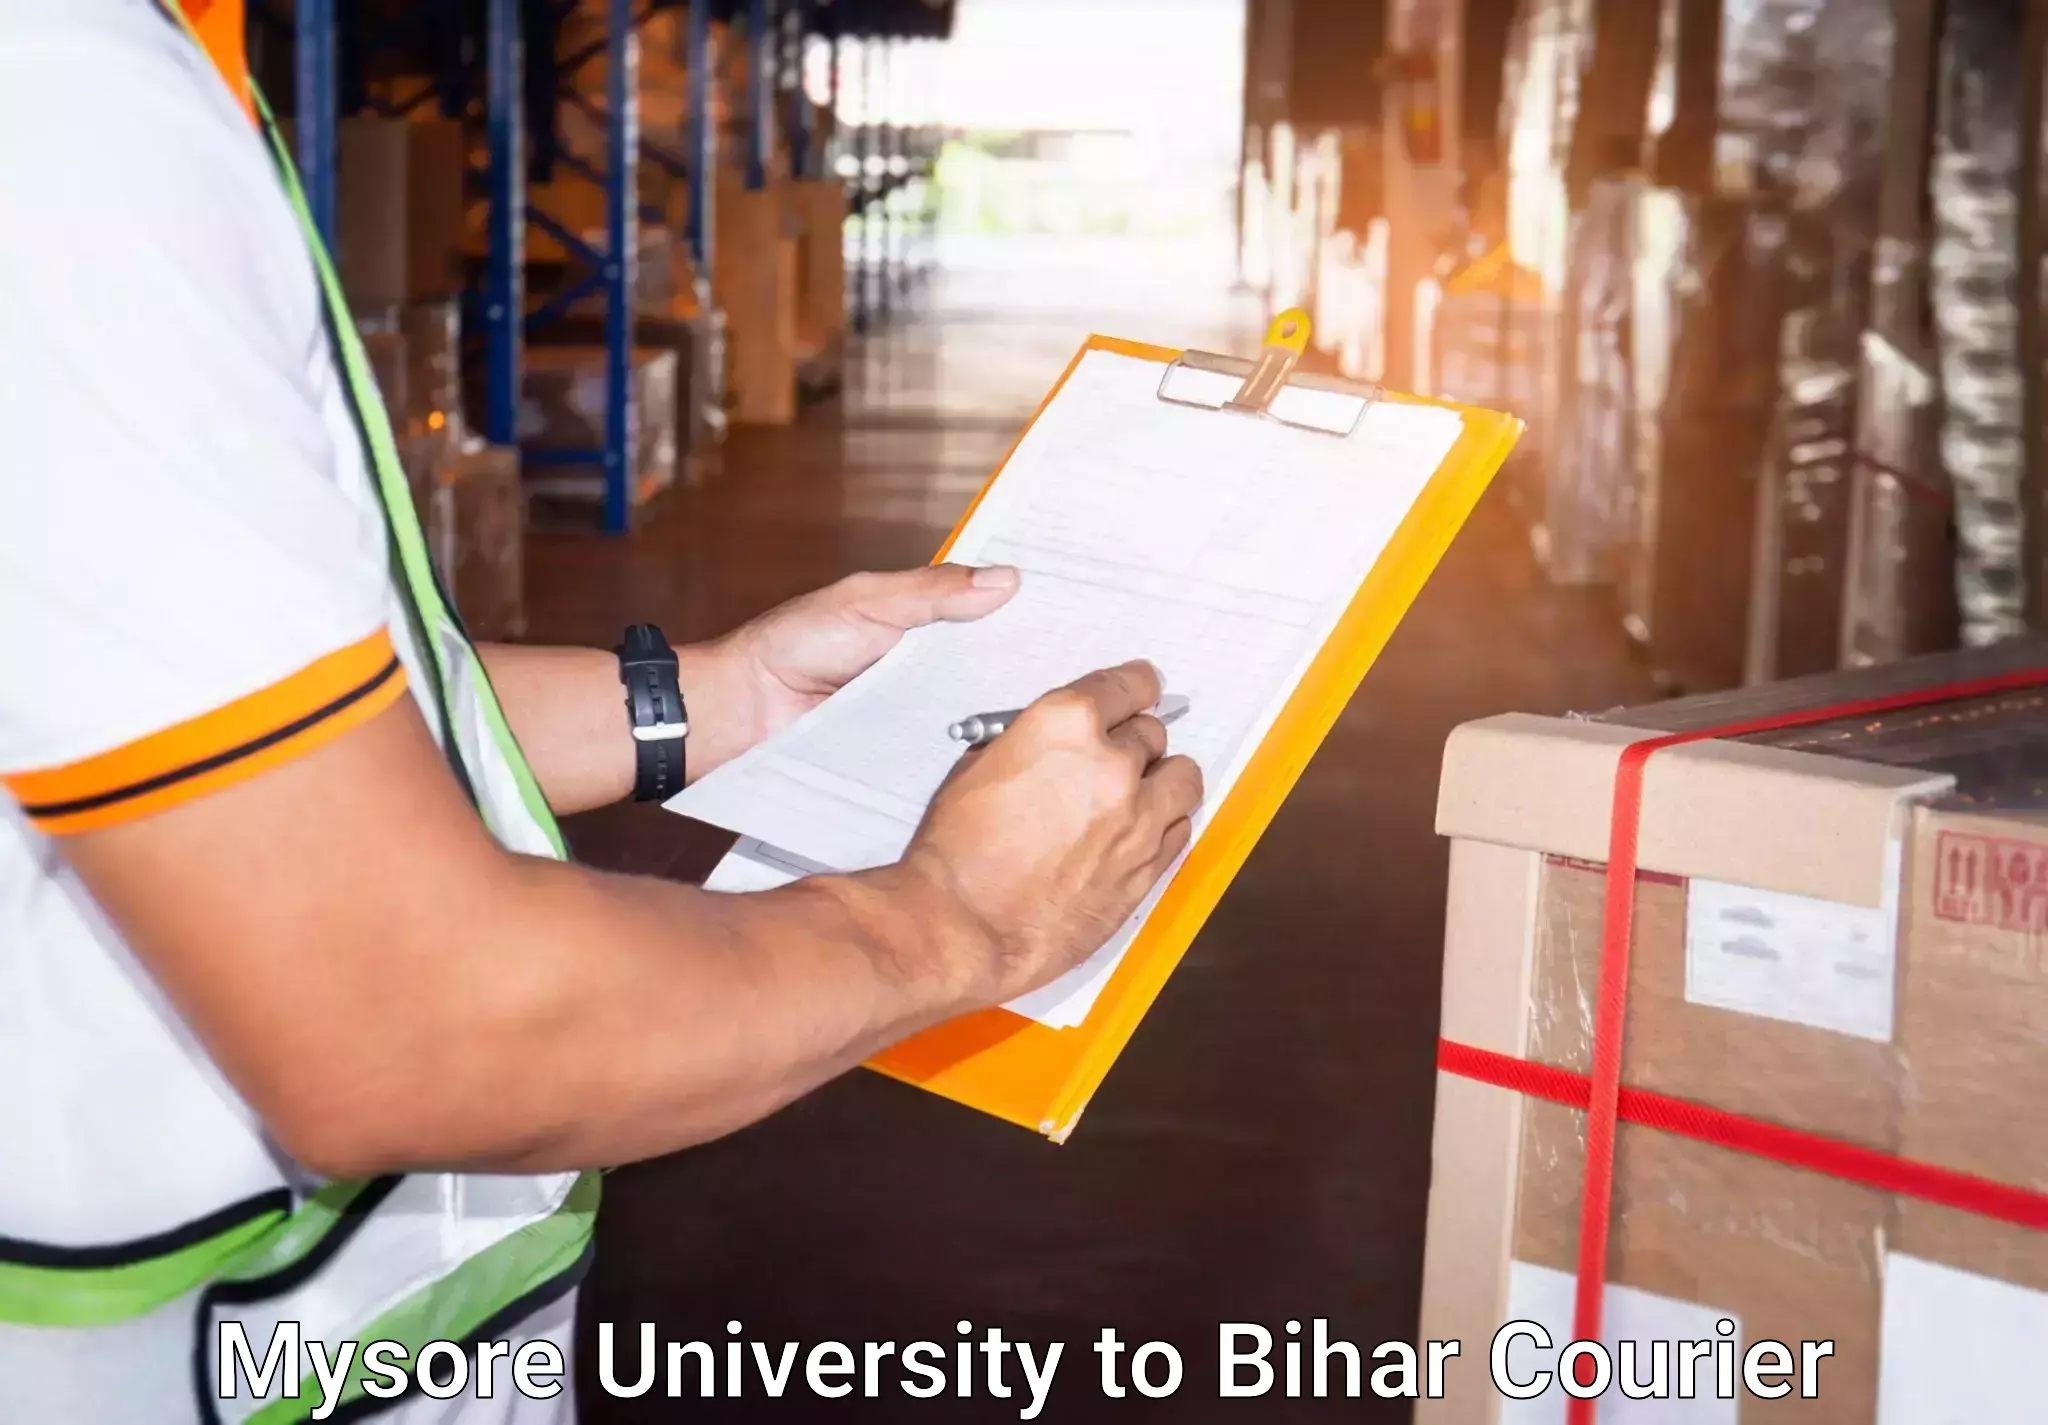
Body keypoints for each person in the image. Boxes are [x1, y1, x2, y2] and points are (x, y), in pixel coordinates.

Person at [0, 1, 1203, 1420]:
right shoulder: (63, 112)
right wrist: (956, 920)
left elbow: (208, 719)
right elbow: (411, 1024)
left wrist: (725, 697)